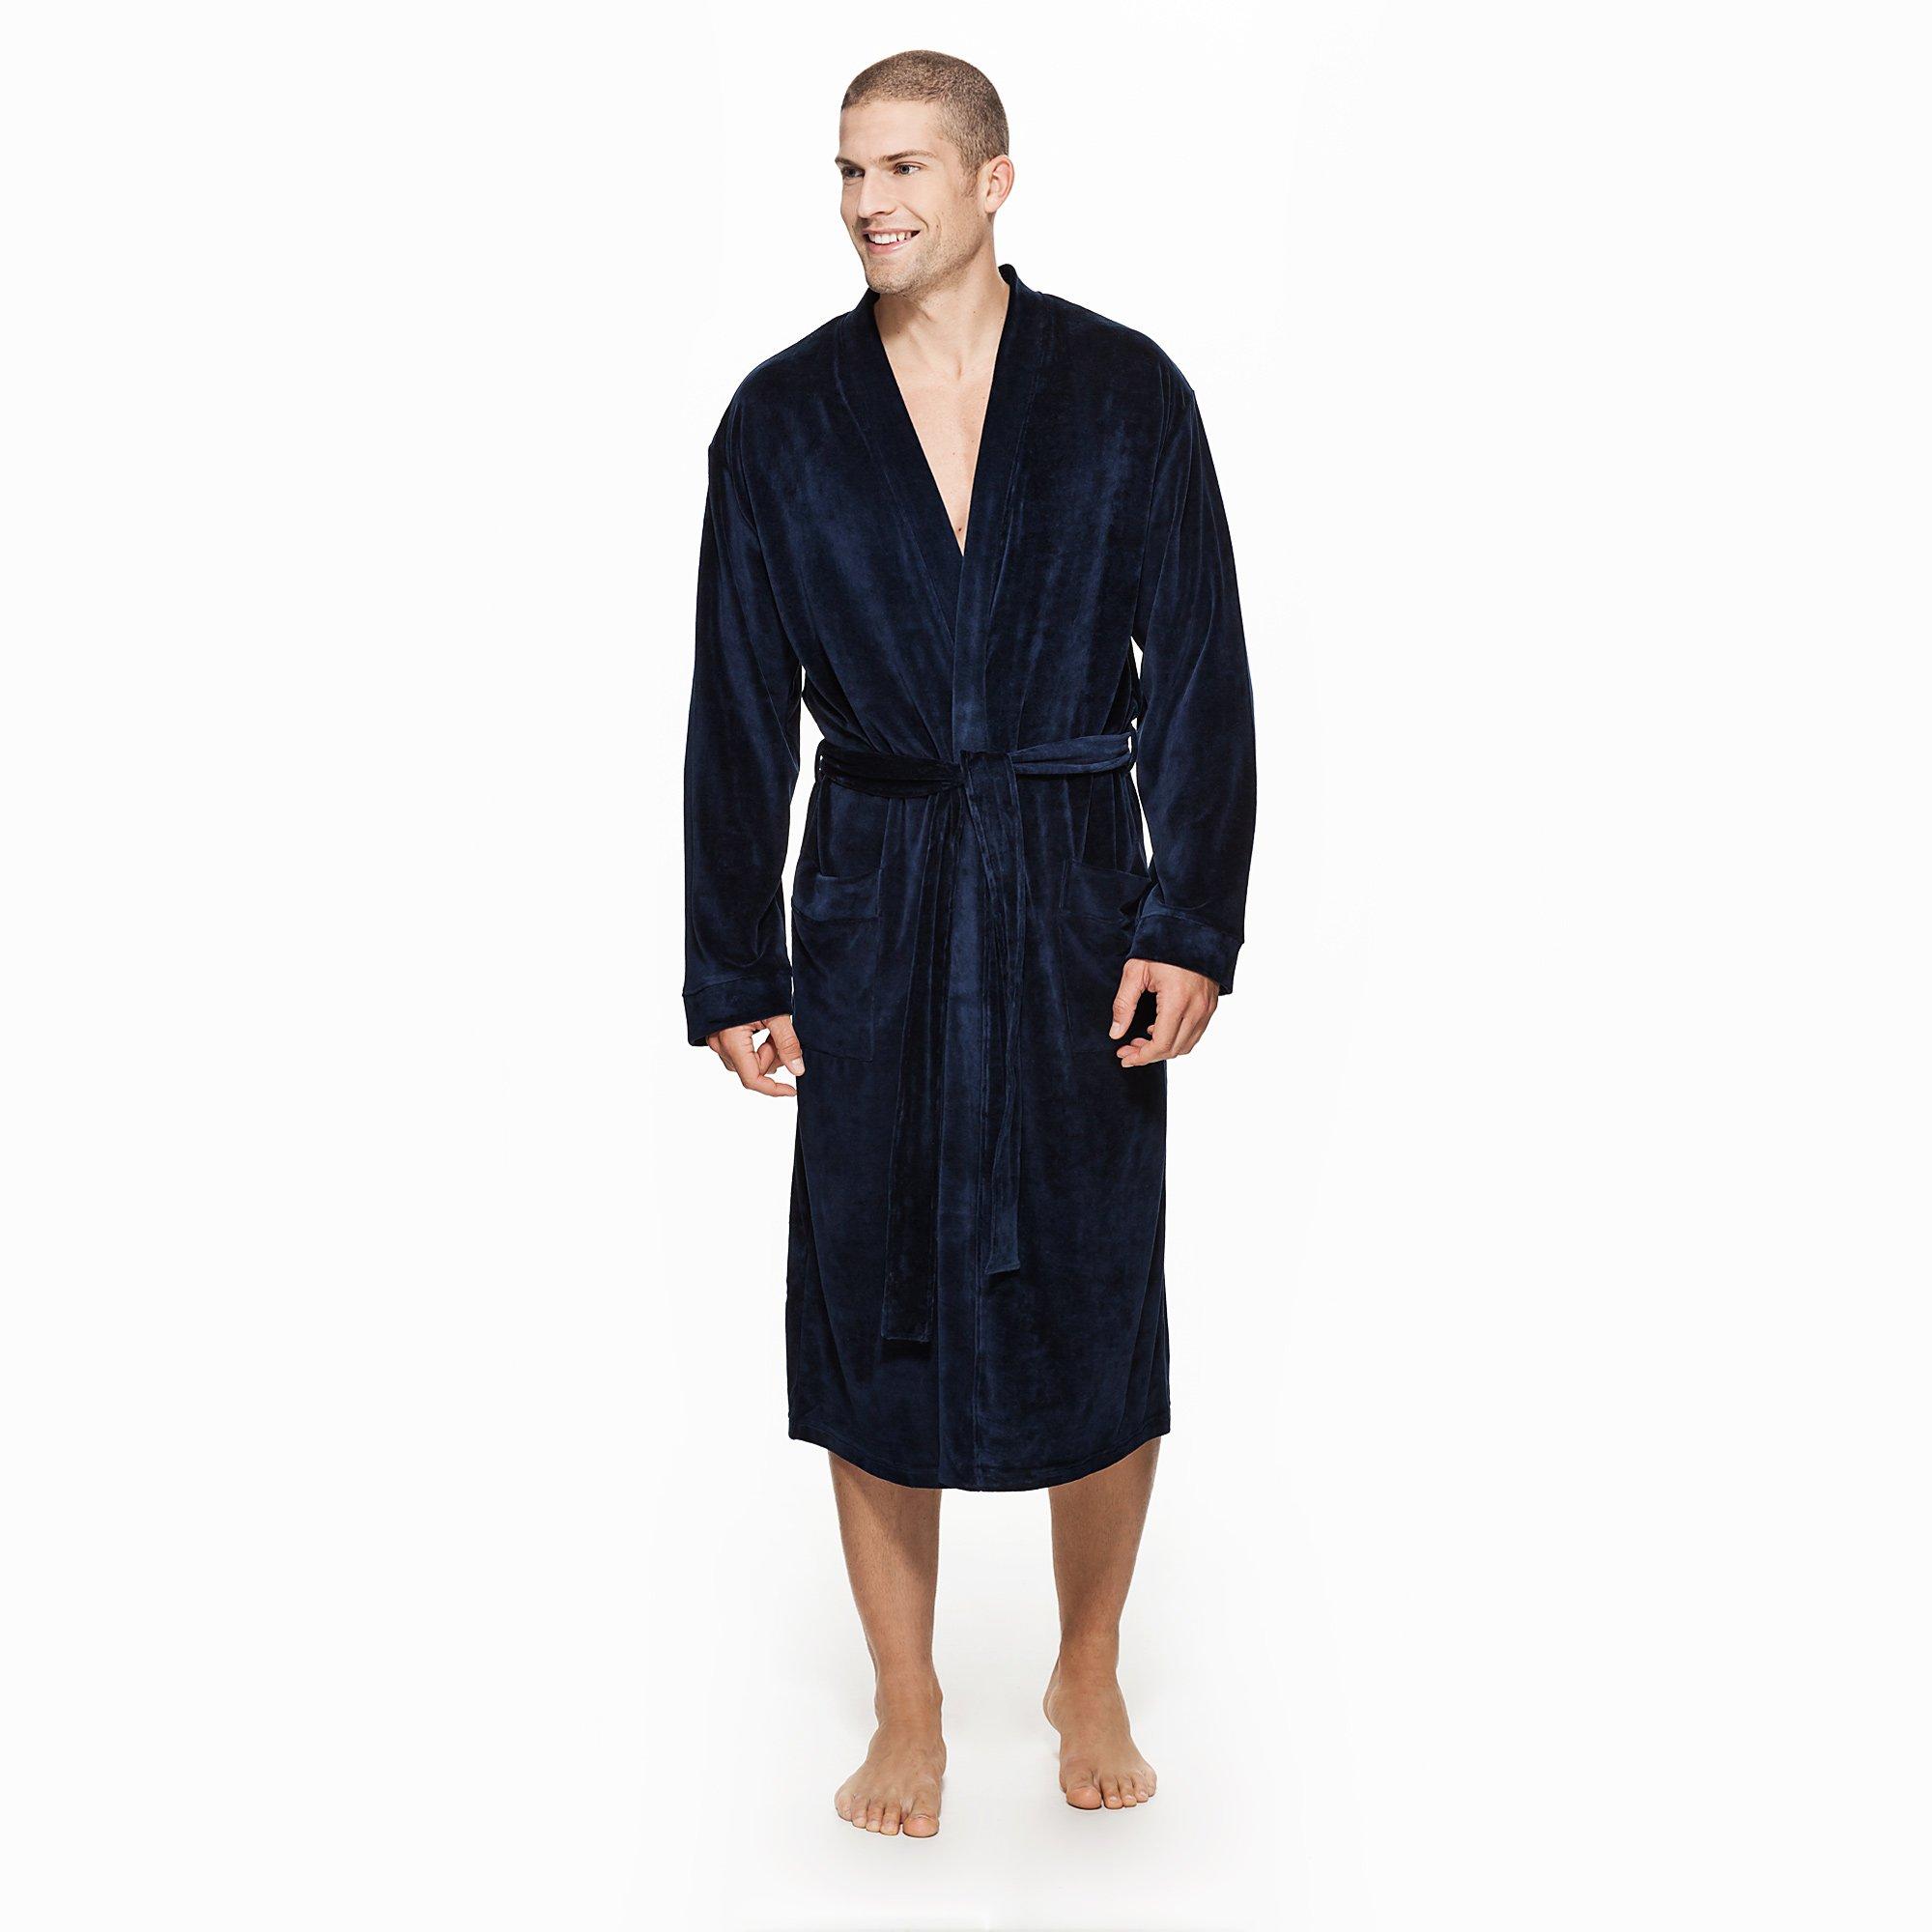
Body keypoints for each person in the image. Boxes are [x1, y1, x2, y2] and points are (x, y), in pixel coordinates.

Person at [682, 48, 1257, 1837]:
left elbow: (1203, 673)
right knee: (868, 1290)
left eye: (906, 168)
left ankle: (1087, 1661)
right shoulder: (782, 419)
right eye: (849, 172)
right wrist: (737, 964)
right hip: (877, 896)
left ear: (994, 181)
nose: (870, 203)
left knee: (1098, 1278)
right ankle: (907, 1700)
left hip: (1076, 895)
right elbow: (733, 713)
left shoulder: (1124, 393)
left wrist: (1190, 918)